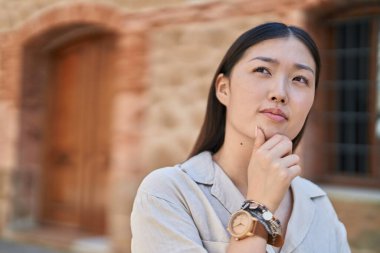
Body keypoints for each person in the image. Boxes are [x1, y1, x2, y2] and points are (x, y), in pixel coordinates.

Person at [130, 22, 351, 253]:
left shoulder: (317, 203)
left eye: (300, 79)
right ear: (224, 89)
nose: (280, 93)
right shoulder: (169, 193)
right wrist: (258, 207)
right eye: (263, 70)